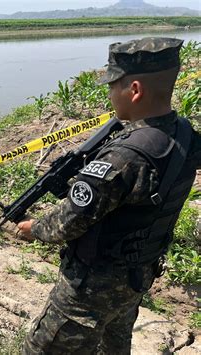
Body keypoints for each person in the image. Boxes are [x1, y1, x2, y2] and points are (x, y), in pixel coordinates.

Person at [16, 37, 201, 354]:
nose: (108, 93)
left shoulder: (123, 158)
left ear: (135, 90)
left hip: (90, 287)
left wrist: (33, 228)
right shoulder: (187, 136)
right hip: (136, 277)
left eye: (112, 86)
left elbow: (68, 222)